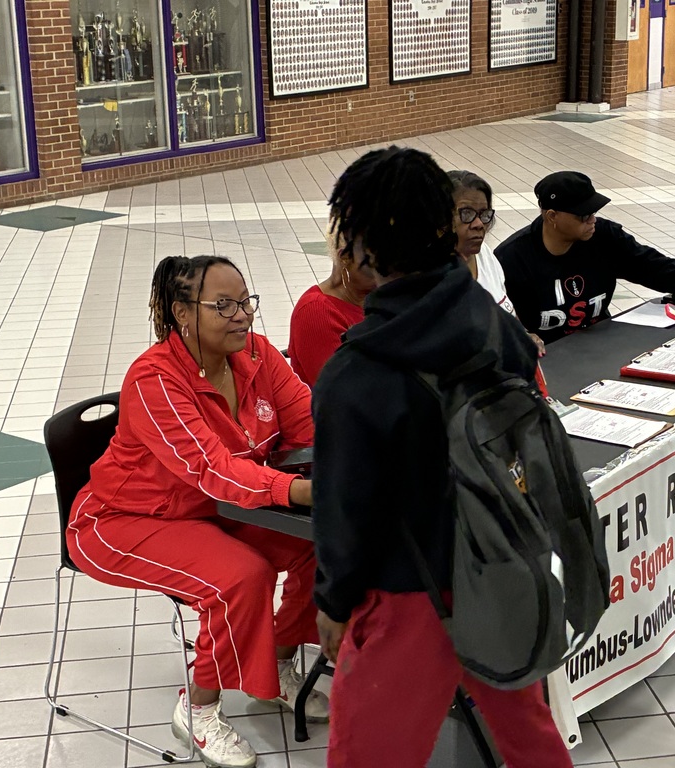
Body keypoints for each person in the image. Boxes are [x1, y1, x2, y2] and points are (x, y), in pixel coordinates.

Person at [310, 147, 573, 768]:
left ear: (361, 243)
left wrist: (333, 600)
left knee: (367, 757)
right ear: (442, 228)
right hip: (503, 565)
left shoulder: (357, 371)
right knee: (529, 737)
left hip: (410, 592)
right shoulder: (494, 325)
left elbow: (345, 506)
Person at [66, 255, 330, 768]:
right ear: (183, 314)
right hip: (124, 520)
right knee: (241, 577)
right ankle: (200, 707)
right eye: (224, 305)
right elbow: (213, 469)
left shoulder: (255, 355)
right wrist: (301, 493)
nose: (242, 316)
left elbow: (311, 418)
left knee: (319, 545)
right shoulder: (154, 380)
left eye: (245, 301)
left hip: (212, 508)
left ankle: (275, 668)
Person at [495, 170, 675, 344]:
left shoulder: (602, 237)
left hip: (601, 342)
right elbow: (494, 322)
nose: (593, 220)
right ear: (551, 216)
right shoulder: (512, 259)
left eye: (594, 212)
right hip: (550, 356)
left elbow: (653, 266)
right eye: (583, 215)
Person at [447, 169, 549, 395]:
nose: (478, 224)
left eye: (484, 214)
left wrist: (523, 334)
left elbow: (507, 311)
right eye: (465, 214)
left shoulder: (485, 256)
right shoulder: (427, 278)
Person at [288, 220, 377, 387]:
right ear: (345, 258)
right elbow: (343, 392)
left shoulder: (379, 298)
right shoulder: (316, 311)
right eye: (375, 257)